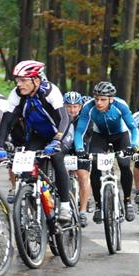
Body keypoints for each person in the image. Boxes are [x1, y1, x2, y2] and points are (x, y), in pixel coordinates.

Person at [0, 60, 73, 223]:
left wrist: (57, 140)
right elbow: (7, 122)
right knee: (28, 171)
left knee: (57, 158)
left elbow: (64, 118)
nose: (19, 84)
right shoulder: (17, 95)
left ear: (36, 80)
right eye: (18, 80)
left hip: (60, 131)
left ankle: (65, 206)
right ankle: (37, 209)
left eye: (23, 80)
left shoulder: (50, 91)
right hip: (37, 135)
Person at [74, 81, 139, 223]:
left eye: (103, 99)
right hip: (100, 137)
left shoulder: (120, 105)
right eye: (97, 98)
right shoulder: (88, 107)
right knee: (95, 166)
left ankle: (128, 202)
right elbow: (80, 131)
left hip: (120, 135)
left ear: (111, 99)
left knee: (124, 164)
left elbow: (133, 128)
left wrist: (133, 145)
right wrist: (79, 149)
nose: (99, 103)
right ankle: (98, 205)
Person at [62, 91, 92, 227]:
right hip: (64, 148)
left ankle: (83, 211)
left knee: (83, 176)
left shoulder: (86, 118)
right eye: (69, 106)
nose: (72, 110)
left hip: (81, 148)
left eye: (75, 106)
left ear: (80, 107)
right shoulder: (59, 117)